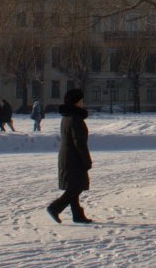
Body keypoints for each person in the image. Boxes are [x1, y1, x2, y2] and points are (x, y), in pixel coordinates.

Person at [47, 88, 93, 224]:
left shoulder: (67, 118)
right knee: (76, 187)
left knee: (73, 186)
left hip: (67, 156)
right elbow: (79, 142)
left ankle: (77, 215)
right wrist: (86, 160)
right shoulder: (75, 119)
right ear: (76, 102)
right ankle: (55, 207)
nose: (82, 103)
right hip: (74, 158)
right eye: (81, 100)